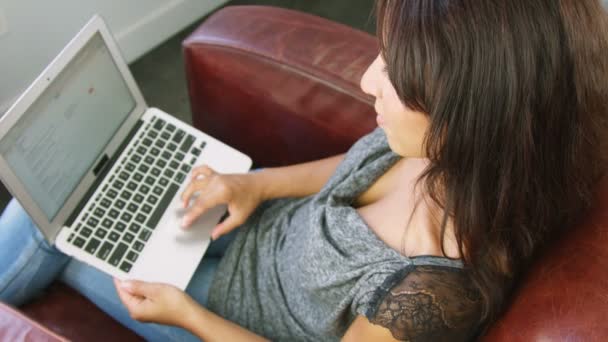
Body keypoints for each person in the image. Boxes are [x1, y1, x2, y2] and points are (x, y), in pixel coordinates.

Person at [1, 0, 607, 340]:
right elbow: (349, 166)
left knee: (60, 217)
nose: (369, 81)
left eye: (395, 78)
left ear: (470, 121)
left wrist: (184, 315)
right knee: (99, 187)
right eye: (385, 58)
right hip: (255, 231)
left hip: (226, 316)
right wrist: (254, 184)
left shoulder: (428, 297)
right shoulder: (438, 151)